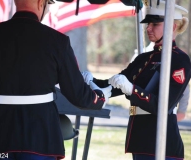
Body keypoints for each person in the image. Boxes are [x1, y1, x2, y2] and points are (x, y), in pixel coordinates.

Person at [0, 0, 112, 160]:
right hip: (41, 143)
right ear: (41, 3)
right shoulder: (57, 42)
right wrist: (100, 98)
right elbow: (78, 94)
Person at [82, 1, 191, 160]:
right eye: (148, 24)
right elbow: (114, 86)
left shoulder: (179, 60)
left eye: (155, 24)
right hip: (140, 139)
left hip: (161, 141)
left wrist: (131, 89)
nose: (148, 28)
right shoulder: (143, 59)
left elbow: (163, 105)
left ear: (172, 27)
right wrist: (90, 81)